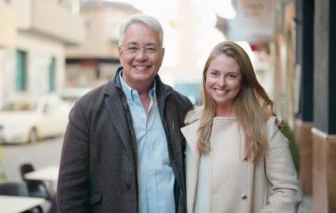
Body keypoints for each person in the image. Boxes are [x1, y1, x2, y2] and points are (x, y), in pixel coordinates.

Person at [56, 14, 193, 212]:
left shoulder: (181, 107)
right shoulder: (87, 110)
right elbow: (70, 193)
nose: (141, 56)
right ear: (120, 53)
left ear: (162, 55)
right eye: (133, 48)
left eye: (150, 48)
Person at [181, 41, 302, 213]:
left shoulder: (265, 127)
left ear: (243, 80)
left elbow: (288, 192)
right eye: (215, 74)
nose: (221, 83)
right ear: (205, 76)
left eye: (231, 76)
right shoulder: (190, 121)